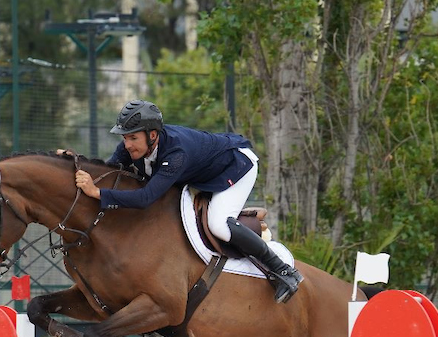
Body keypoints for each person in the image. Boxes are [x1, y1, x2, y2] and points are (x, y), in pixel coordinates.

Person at [73, 99, 303, 303]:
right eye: (124, 138)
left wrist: (98, 194)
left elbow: (145, 198)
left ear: (152, 135)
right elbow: (111, 170)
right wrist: (75, 163)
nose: (127, 145)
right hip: (203, 173)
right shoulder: (133, 147)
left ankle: (283, 271)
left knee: (219, 224)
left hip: (236, 166)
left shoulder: (176, 154)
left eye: (133, 138)